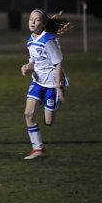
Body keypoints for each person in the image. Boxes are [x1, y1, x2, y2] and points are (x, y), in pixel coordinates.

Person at [20, 9, 71, 160]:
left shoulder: (48, 40)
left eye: (36, 20)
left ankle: (56, 98)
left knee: (48, 121)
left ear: (43, 24)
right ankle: (38, 149)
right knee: (28, 113)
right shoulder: (31, 40)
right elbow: (33, 61)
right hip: (37, 81)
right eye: (31, 19)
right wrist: (27, 66)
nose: (32, 22)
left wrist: (58, 87)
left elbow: (58, 63)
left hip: (52, 83)